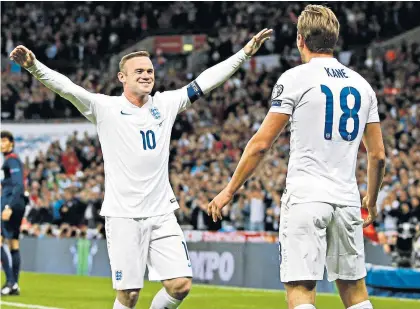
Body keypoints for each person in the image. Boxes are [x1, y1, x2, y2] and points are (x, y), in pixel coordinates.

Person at [9, 28, 272, 309]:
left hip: (161, 212)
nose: (147, 75)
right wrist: (34, 67)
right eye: (139, 72)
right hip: (123, 216)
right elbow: (67, 88)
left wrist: (244, 54)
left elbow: (205, 81)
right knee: (129, 294)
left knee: (180, 285)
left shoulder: (166, 103)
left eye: (149, 70)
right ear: (122, 77)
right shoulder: (105, 108)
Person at [208, 5, 385, 309]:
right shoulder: (362, 86)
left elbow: (261, 144)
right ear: (335, 38)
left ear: (300, 40)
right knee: (355, 293)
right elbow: (378, 156)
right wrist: (371, 197)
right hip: (346, 199)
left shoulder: (295, 78)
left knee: (301, 290)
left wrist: (229, 190)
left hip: (306, 197)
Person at [1, 130, 26, 296]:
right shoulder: (10, 161)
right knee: (13, 244)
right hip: (17, 204)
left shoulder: (11, 161)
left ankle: (10, 282)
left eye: (4, 141)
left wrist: (8, 206)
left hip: (11, 205)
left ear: (11, 143)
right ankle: (14, 284)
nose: (2, 144)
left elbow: (18, 185)